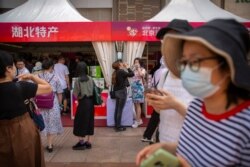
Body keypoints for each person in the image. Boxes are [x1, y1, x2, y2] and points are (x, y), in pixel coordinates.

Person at [136, 19, 250, 167]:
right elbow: (193, 147)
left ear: (228, 64)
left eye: (195, 61)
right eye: (184, 61)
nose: (187, 69)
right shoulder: (197, 106)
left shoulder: (245, 125)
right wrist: (166, 148)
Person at [142, 19, 194, 143]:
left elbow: (207, 122)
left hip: (191, 149)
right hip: (164, 143)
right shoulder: (165, 74)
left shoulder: (203, 75)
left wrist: (174, 104)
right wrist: (155, 102)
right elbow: (160, 111)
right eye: (166, 40)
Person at [0, 50, 52, 167]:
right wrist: (32, 77)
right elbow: (48, 88)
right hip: (22, 133)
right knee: (27, 160)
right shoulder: (21, 87)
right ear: (8, 69)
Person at [38, 59, 64, 153]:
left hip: (40, 103)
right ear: (51, 67)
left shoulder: (37, 77)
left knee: (41, 122)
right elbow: (60, 92)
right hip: (52, 102)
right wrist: (60, 104)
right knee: (51, 123)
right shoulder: (55, 77)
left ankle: (39, 145)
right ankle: (49, 145)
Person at [72, 62, 95, 150]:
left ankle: (81, 142)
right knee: (90, 121)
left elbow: (75, 94)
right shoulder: (91, 78)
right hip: (90, 102)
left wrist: (78, 97)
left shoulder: (78, 80)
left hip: (83, 102)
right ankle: (88, 142)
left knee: (80, 121)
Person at [112, 60, 134, 132]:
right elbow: (132, 74)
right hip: (121, 92)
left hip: (117, 92)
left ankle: (116, 125)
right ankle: (118, 127)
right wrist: (128, 67)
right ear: (119, 65)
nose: (123, 63)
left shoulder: (116, 72)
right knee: (119, 110)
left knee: (117, 109)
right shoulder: (121, 71)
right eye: (121, 63)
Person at [131, 57, 146, 128]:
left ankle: (137, 121)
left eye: (137, 62)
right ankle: (139, 119)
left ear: (140, 63)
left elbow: (141, 75)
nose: (136, 63)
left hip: (139, 89)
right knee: (135, 104)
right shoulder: (133, 70)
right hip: (133, 89)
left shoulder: (143, 69)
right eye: (135, 62)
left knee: (138, 104)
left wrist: (139, 68)